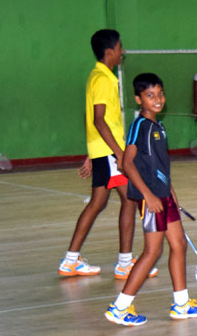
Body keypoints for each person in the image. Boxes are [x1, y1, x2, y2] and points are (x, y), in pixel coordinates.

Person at [105, 72, 197, 326]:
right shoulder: (141, 126)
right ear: (138, 99)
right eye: (150, 95)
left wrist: (171, 191)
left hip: (164, 196)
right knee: (152, 252)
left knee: (179, 244)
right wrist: (148, 195)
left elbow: (160, 165)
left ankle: (181, 304)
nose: (157, 99)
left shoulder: (158, 127)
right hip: (151, 199)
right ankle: (119, 308)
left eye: (160, 94)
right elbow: (127, 163)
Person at [60, 29, 157, 281]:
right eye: (120, 47)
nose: (123, 51)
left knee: (98, 203)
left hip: (102, 150)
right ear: (109, 51)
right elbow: (99, 119)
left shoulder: (98, 76)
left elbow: (90, 118)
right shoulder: (103, 79)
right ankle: (124, 264)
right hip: (110, 152)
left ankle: (70, 261)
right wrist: (119, 154)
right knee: (130, 200)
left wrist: (92, 152)